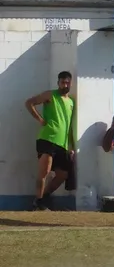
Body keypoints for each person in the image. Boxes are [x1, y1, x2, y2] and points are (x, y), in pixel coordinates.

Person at [25, 70, 77, 211]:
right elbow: (29, 103)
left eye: (67, 82)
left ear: (70, 83)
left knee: (63, 174)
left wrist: (71, 145)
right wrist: (40, 119)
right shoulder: (50, 95)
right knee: (45, 171)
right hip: (47, 138)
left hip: (63, 143)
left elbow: (70, 125)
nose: (65, 85)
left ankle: (44, 197)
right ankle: (38, 202)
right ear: (58, 83)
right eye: (62, 82)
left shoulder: (71, 101)